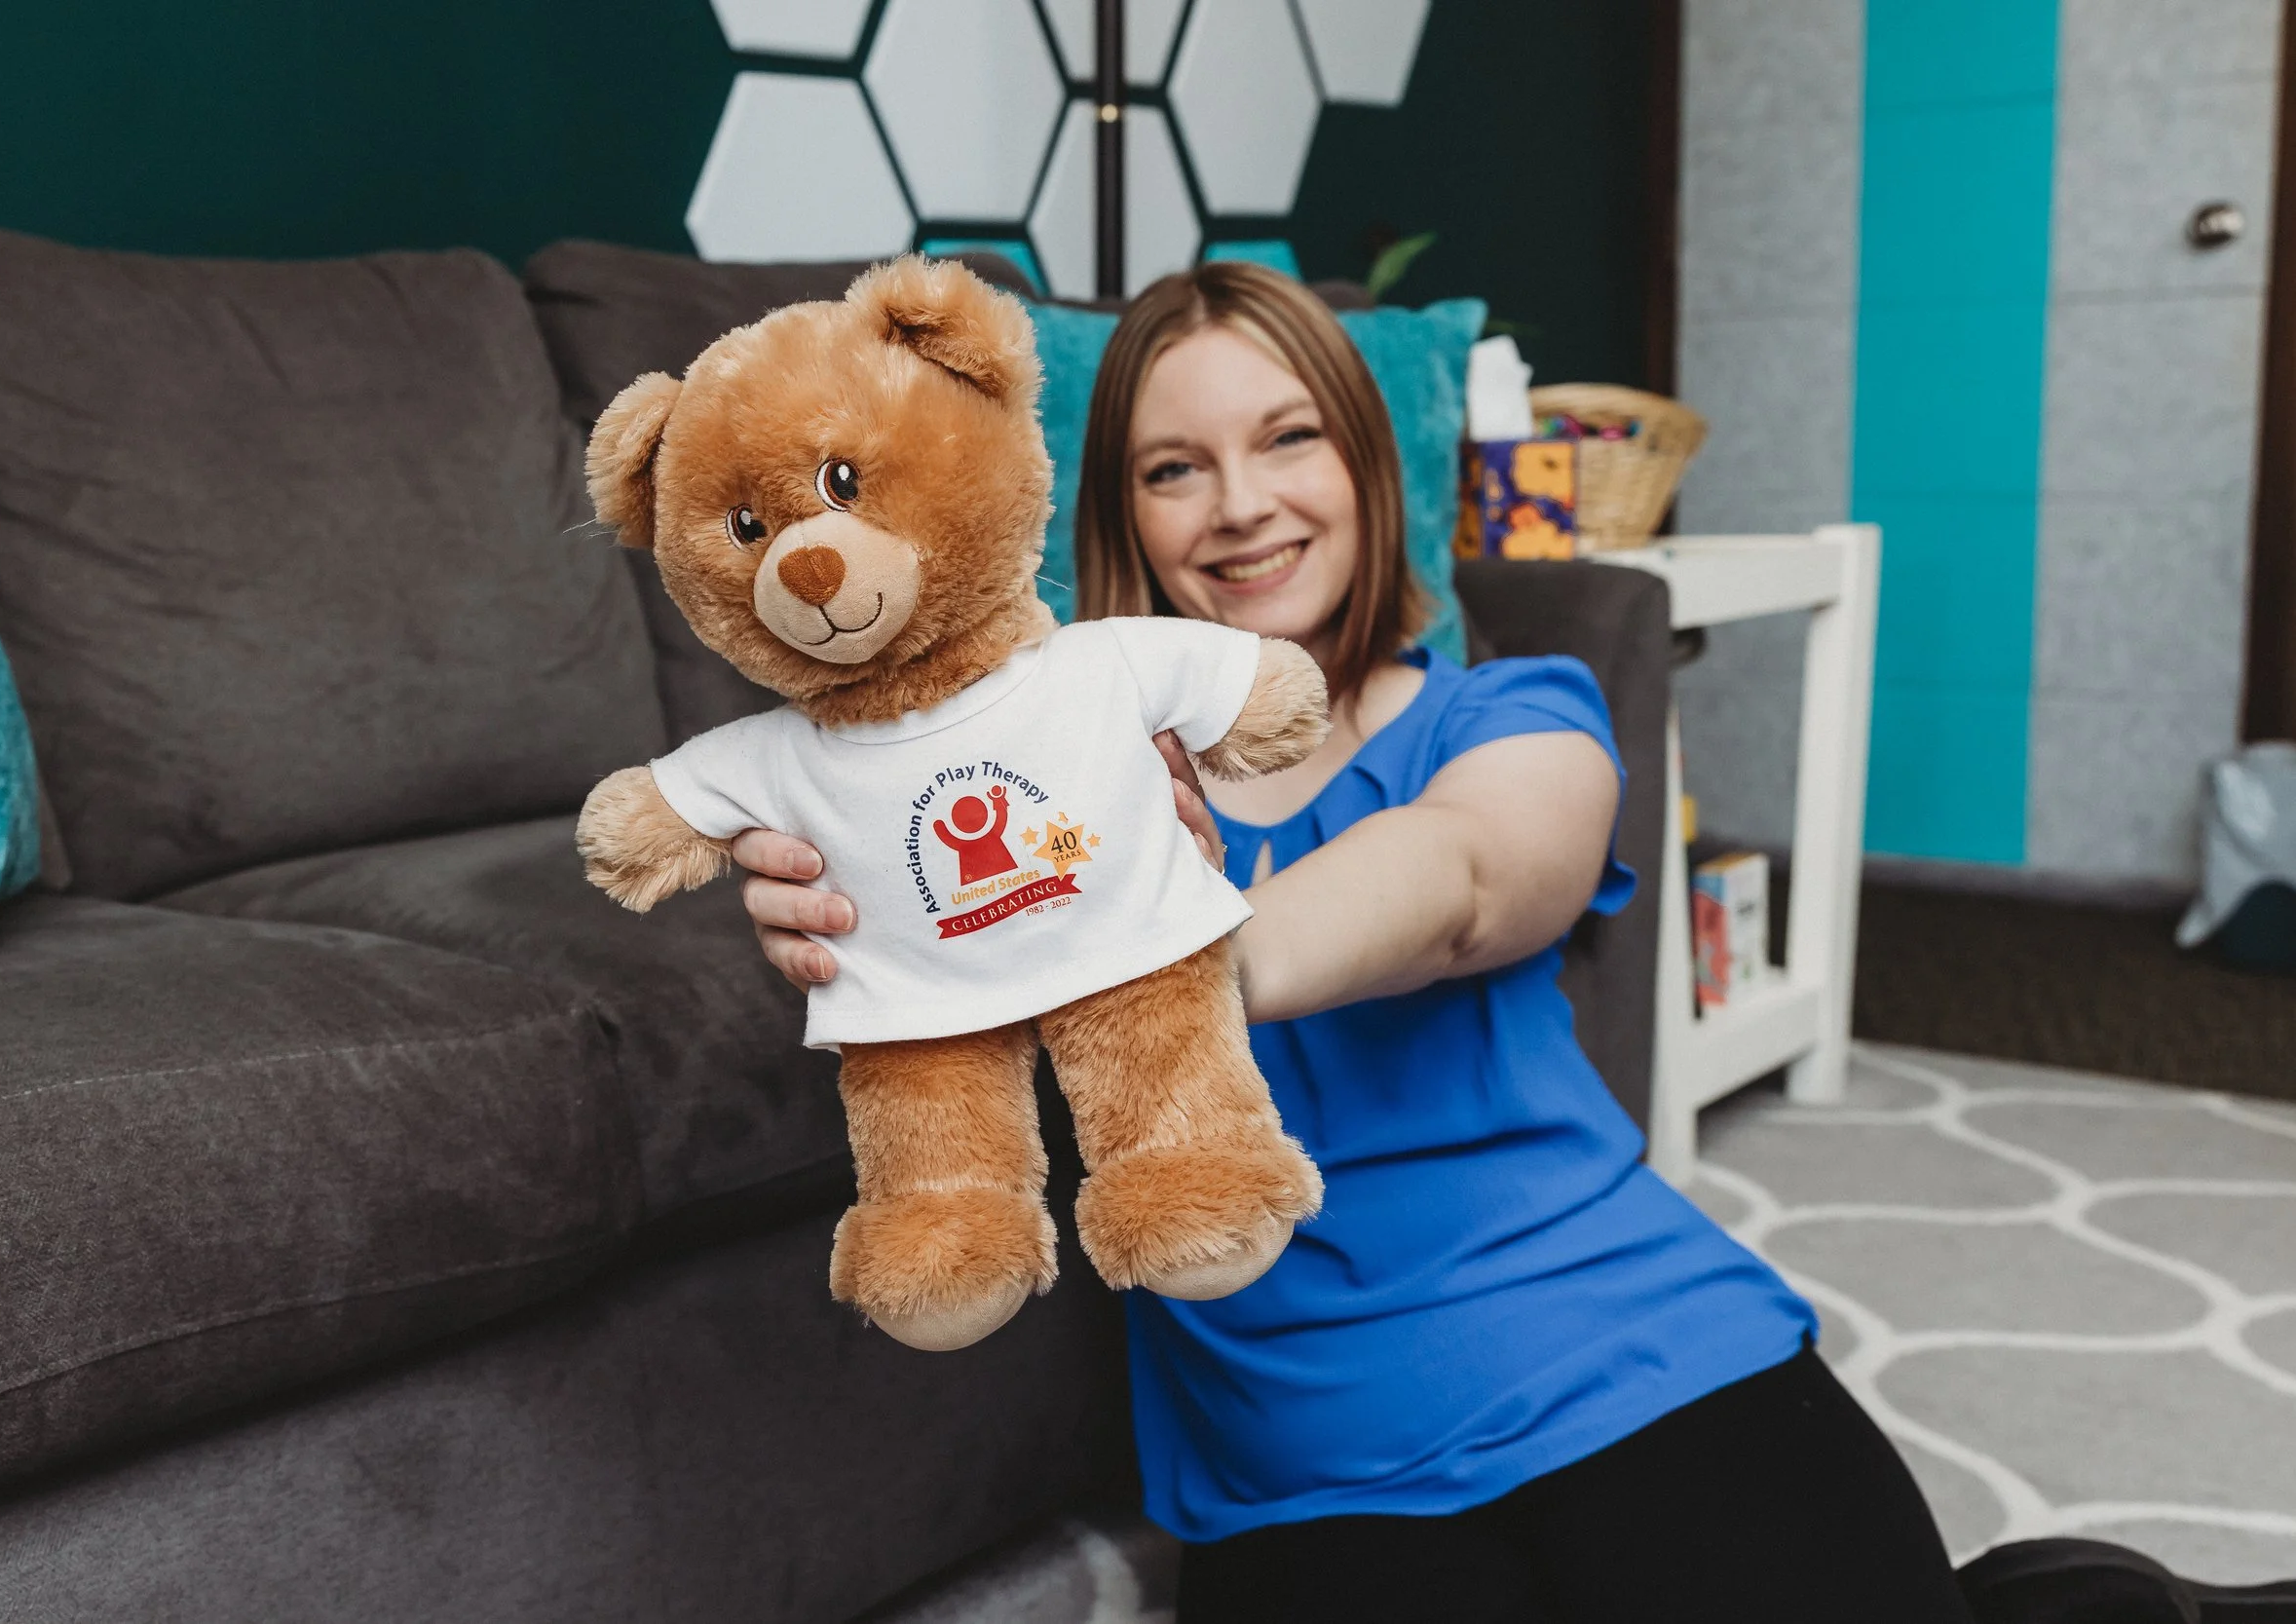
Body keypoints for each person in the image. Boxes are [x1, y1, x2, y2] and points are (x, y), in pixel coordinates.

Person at [720, 262, 2282, 1623]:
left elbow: (1468, 875)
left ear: (1368, 465)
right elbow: (952, 1001)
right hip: (1301, 1447)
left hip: (1619, 1337)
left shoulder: (1518, 711)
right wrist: (855, 911)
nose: (1244, 502)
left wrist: (1184, 954)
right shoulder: (1052, 778)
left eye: (1290, 439)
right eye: (1175, 468)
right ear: (1121, 516)